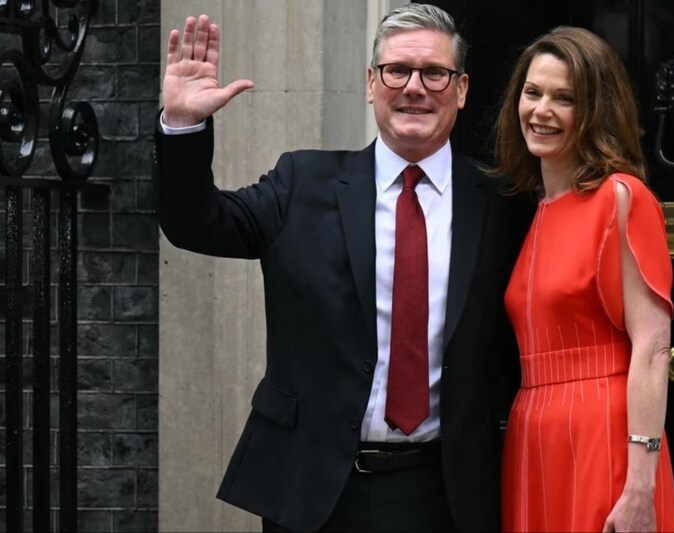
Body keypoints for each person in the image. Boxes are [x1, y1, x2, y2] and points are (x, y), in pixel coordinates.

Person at [154, 4, 531, 532]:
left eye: (435, 73)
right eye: (397, 70)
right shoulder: (302, 181)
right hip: (316, 490)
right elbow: (197, 224)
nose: (415, 87)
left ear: (462, 89)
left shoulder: (502, 203)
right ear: (370, 84)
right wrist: (185, 125)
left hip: (448, 492)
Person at [491, 26, 674, 532]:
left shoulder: (621, 196)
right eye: (532, 93)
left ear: (596, 110)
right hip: (533, 435)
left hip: (603, 434)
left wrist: (640, 485)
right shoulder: (536, 209)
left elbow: (654, 345)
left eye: (564, 98)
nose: (541, 111)